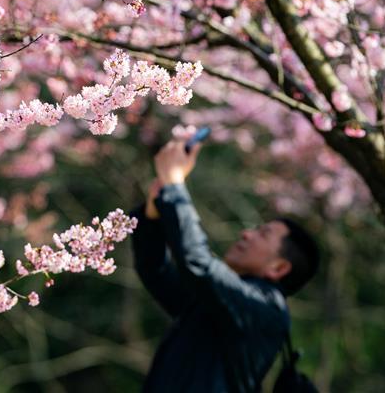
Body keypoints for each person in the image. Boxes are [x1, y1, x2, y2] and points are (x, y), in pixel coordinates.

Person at [131, 136, 320, 393]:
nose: (246, 234)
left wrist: (175, 186)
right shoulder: (216, 305)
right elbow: (155, 270)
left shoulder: (266, 308)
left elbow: (198, 263)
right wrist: (153, 215)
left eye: (262, 234)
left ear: (279, 268)